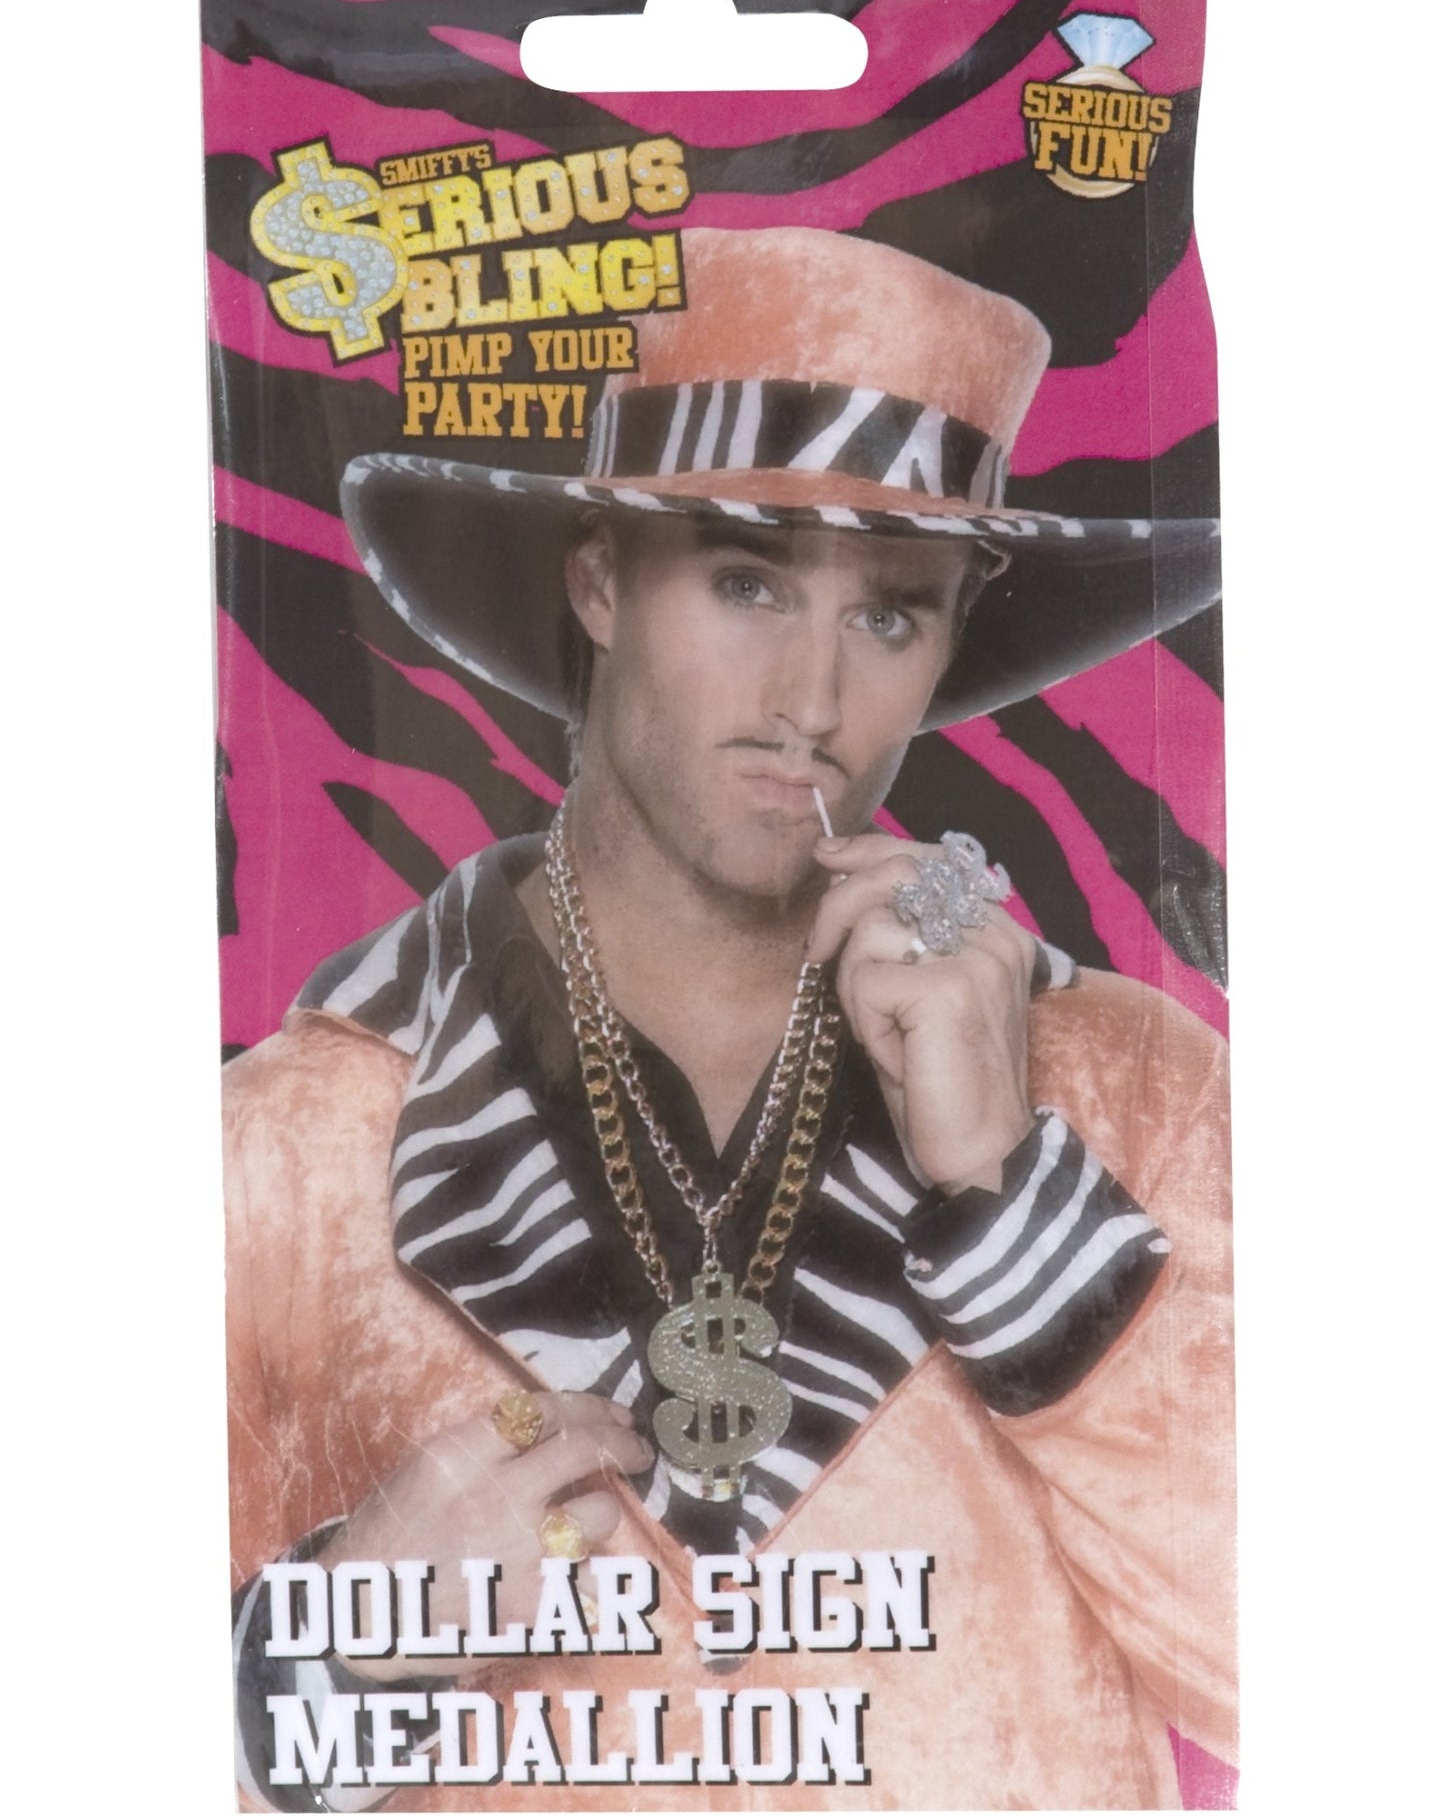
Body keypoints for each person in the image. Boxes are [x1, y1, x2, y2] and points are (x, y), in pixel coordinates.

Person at [225, 227, 1235, 1810]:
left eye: (889, 616)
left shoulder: (1130, 1085)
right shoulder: (290, 1144)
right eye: (748, 580)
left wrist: (1010, 1200)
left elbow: (1297, 1664)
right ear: (597, 579)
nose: (809, 704)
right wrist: (339, 1646)